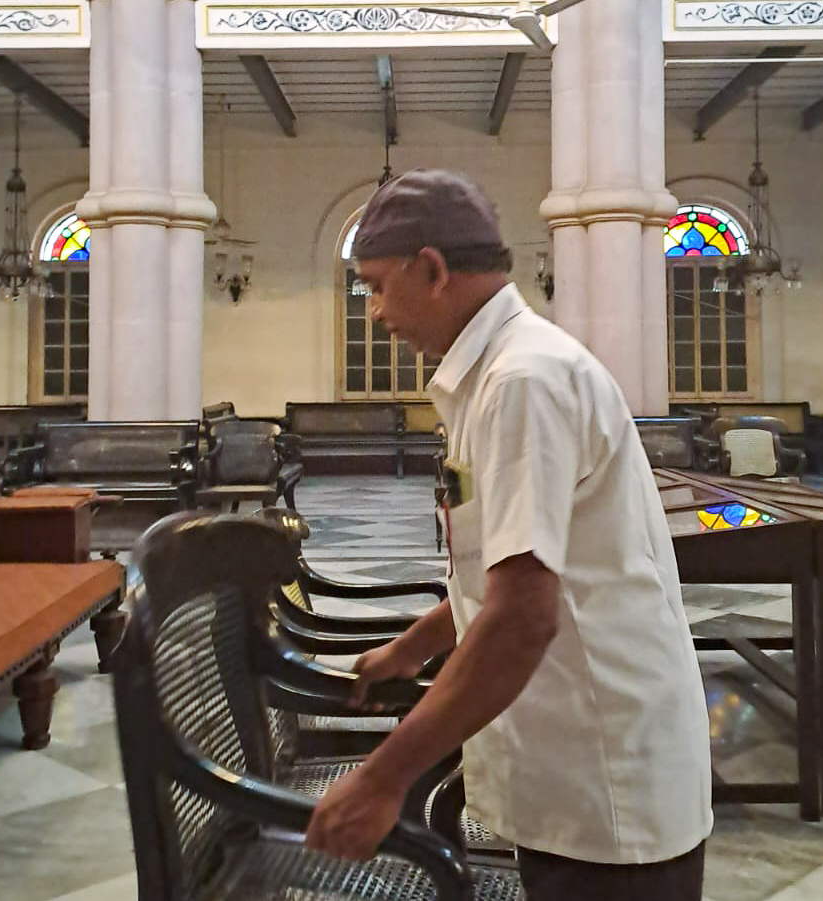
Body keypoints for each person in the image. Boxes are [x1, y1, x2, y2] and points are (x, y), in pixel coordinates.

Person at [304, 168, 712, 900]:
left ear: (430, 271)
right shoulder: (501, 373)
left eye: (375, 285)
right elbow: (513, 571)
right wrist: (412, 646)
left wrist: (380, 779)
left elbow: (523, 616)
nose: (373, 313)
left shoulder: (523, 381)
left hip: (603, 770)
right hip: (577, 755)